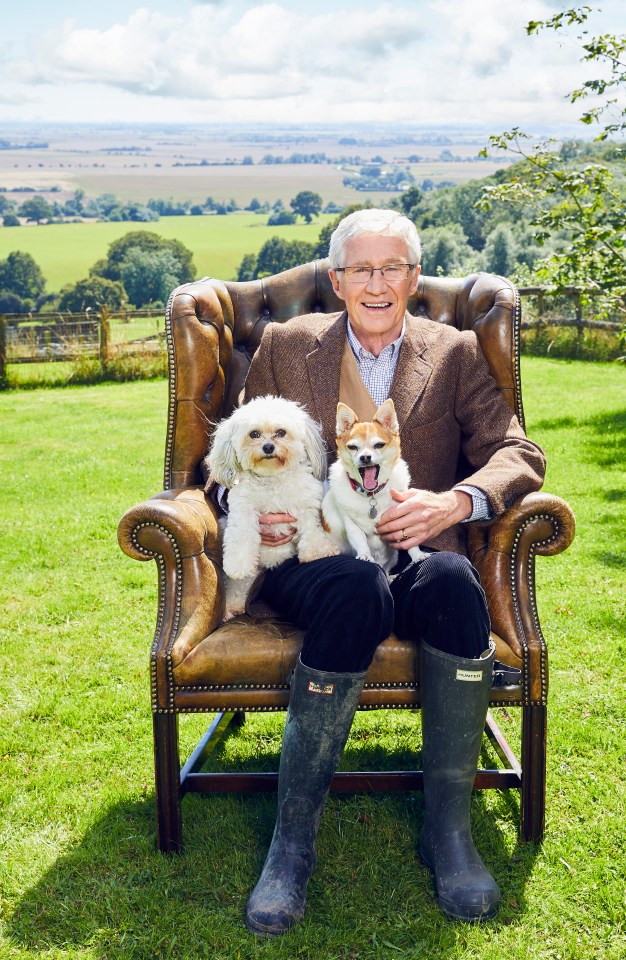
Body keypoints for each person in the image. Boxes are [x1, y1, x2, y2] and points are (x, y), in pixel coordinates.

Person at [236, 209, 545, 936]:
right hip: (316, 556)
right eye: (361, 270)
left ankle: (450, 834)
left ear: (413, 277)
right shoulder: (286, 345)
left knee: (449, 580)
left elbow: (516, 450)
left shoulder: (457, 350)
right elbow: (236, 445)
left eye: (393, 268)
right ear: (337, 280)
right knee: (352, 583)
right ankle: (291, 845)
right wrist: (250, 503)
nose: (377, 284)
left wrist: (454, 502)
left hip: (413, 550)